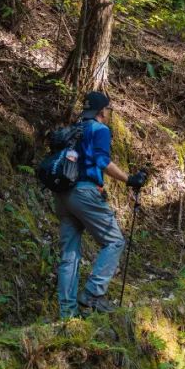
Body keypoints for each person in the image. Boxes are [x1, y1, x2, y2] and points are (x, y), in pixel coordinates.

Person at [55, 91, 146, 318]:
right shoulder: (100, 129)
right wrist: (129, 179)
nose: (108, 113)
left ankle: (67, 313)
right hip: (85, 192)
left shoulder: (74, 129)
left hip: (62, 195)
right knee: (114, 241)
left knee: (69, 254)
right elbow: (102, 161)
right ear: (102, 111)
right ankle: (93, 294)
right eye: (108, 109)